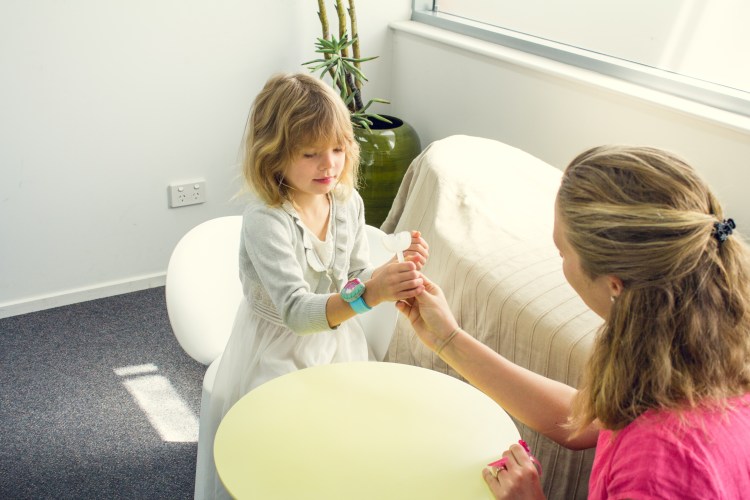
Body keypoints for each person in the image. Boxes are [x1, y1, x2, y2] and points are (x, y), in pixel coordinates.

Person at [397, 145, 750, 499]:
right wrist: (447, 338)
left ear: (614, 284)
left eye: (562, 252)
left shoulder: (656, 467)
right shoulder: (703, 353)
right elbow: (585, 421)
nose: (561, 261)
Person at [197, 73, 428, 499]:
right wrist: (372, 292)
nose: (329, 165)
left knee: (342, 440)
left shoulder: (347, 201)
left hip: (337, 341)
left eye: (338, 149)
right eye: (311, 154)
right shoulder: (266, 219)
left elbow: (355, 273)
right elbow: (297, 313)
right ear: (273, 156)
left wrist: (386, 273)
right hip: (277, 348)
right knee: (283, 452)